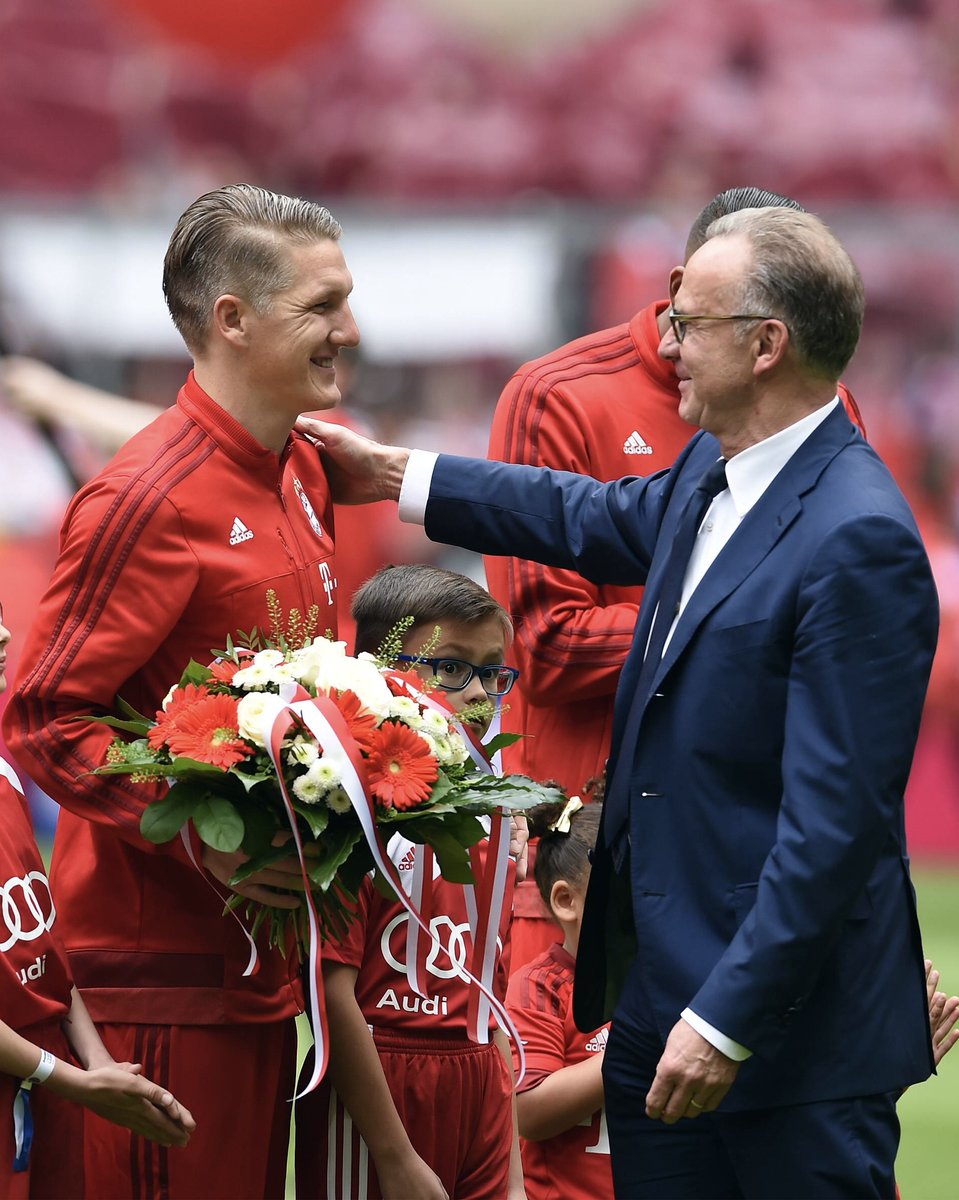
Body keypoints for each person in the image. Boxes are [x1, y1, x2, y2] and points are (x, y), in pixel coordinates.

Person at [300, 205, 940, 1197]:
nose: (666, 342)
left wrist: (727, 1017)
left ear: (766, 345)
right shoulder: (712, 471)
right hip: (658, 1002)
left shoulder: (857, 537)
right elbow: (588, 513)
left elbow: (833, 824)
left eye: (689, 323)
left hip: (777, 1037)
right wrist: (397, 475)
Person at [2, 183, 360, 1199]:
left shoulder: (298, 468)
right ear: (231, 320)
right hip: (154, 990)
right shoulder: (145, 498)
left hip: (251, 974)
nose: (350, 329)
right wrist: (203, 837)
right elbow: (39, 717)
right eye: (322, 305)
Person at [484, 186, 866, 974]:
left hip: (739, 863)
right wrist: (749, 633)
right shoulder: (559, 393)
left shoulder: (819, 409)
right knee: (558, 1098)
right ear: (678, 290)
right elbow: (546, 646)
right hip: (578, 865)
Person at [295, 564, 525, 1200]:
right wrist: (393, 1156)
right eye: (451, 667)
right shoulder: (346, 812)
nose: (478, 692)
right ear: (379, 670)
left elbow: (493, 1007)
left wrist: (512, 1172)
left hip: (479, 1087)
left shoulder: (497, 816)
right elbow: (330, 997)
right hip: (382, 1091)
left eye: (492, 673)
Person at [0, 603, 195, 1197]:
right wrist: (72, 1080)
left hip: (42, 1076)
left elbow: (41, 947)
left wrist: (97, 1060)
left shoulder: (6, 778)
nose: (5, 632)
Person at [505, 795, 612, 1200]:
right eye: (627, 894)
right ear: (567, 901)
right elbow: (528, 1110)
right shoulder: (541, 987)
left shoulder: (662, 982)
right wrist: (634, 1048)